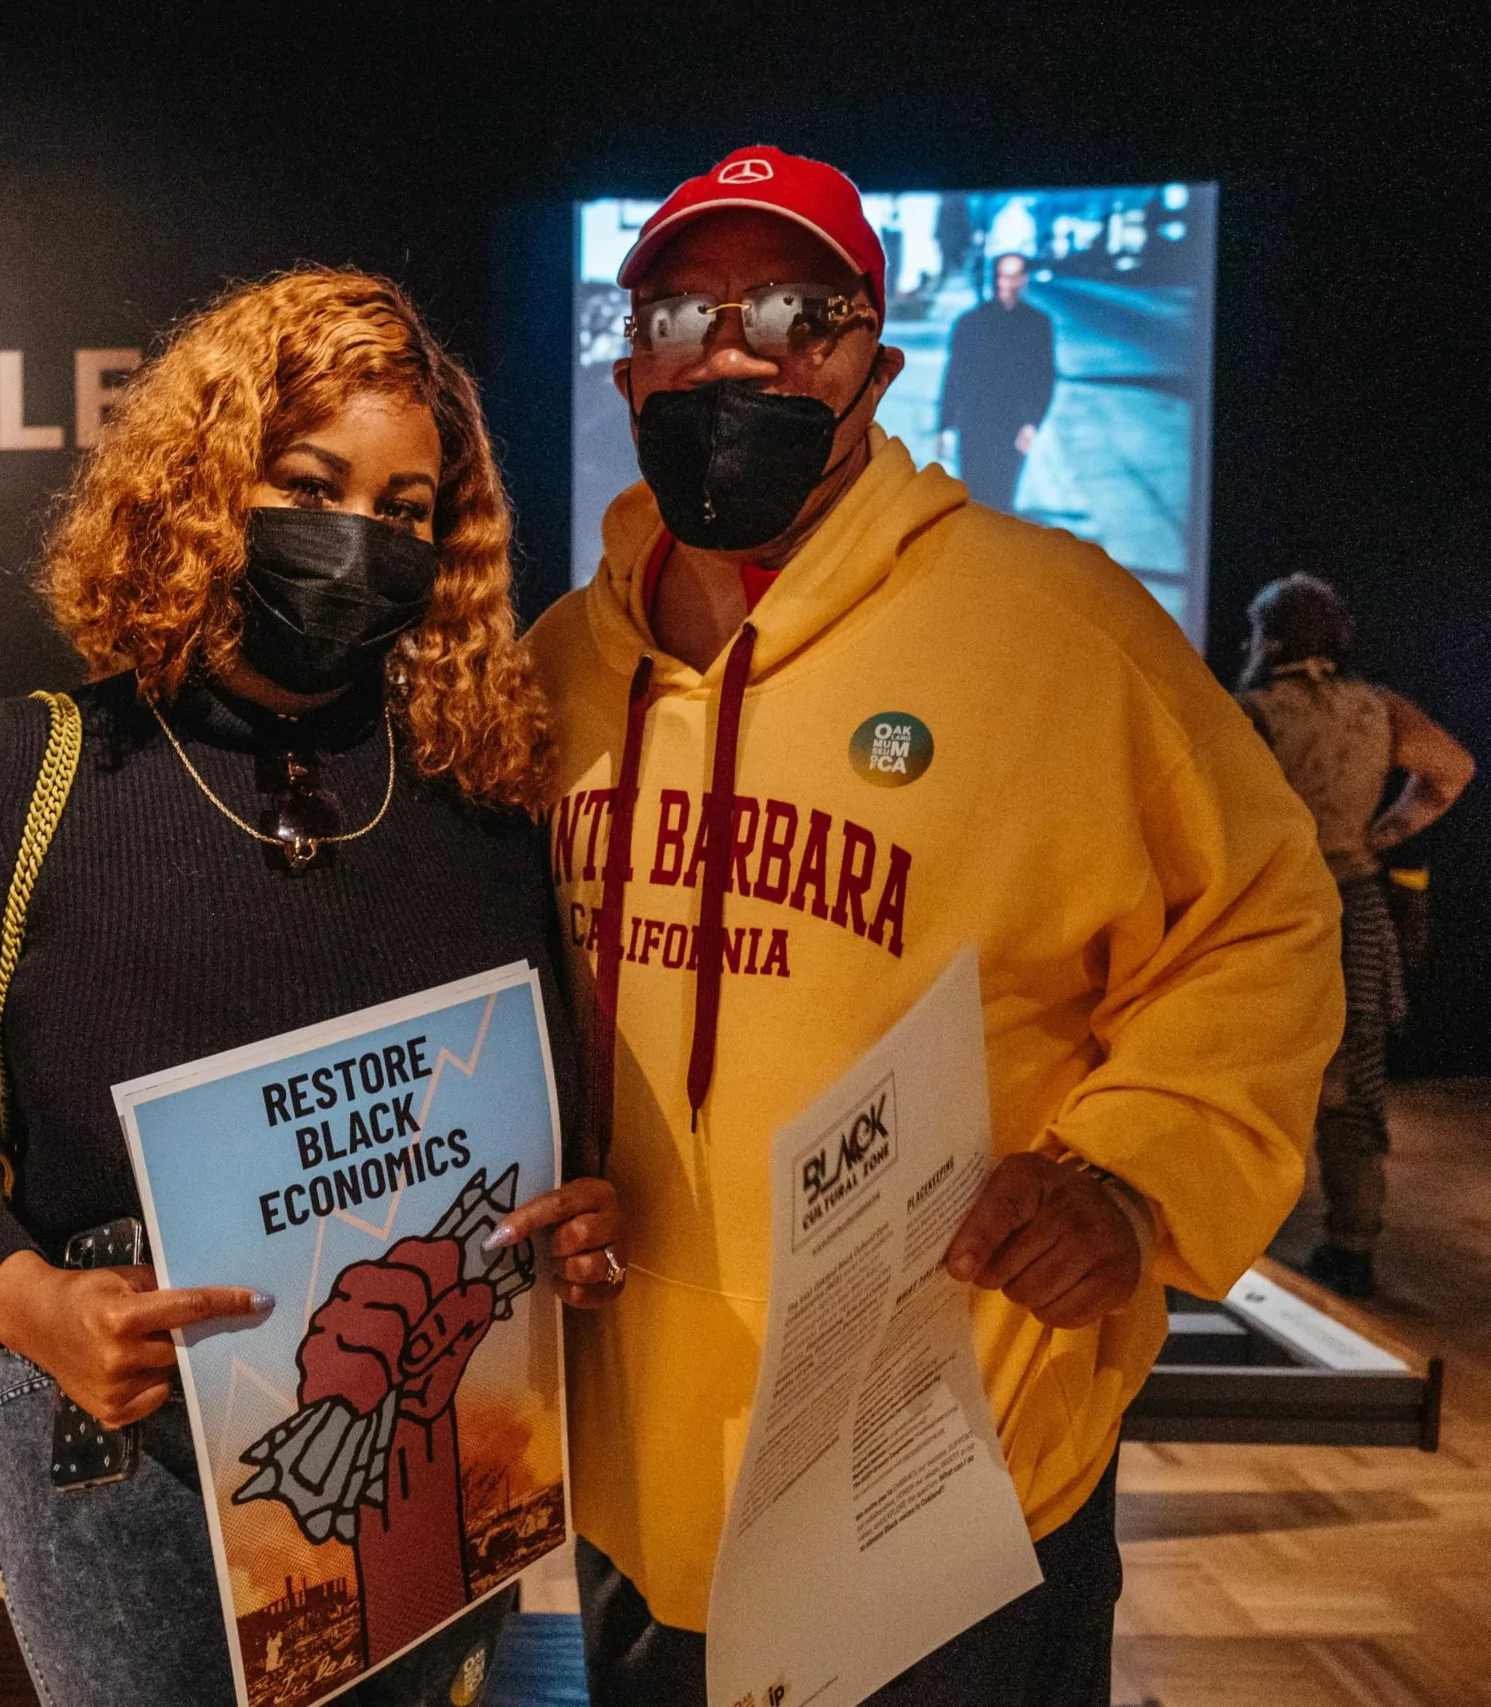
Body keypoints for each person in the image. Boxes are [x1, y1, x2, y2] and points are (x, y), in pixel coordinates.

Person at [529, 145, 1341, 1705]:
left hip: (944, 1466)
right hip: (639, 1468)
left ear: (875, 359)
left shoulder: (1058, 626)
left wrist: (1128, 1175)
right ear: (629, 361)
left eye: (794, 307)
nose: (738, 348)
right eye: (685, 306)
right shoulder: (565, 663)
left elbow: (1264, 913)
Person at [0, 268, 625, 1707]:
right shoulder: (26, 775)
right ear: (205, 489)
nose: (360, 539)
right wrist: (27, 1299)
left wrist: (572, 1216)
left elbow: (547, 1104)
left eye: (408, 511)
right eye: (313, 483)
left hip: (429, 1424)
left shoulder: (481, 802)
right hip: (121, 1440)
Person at [1236, 573, 1475, 1298]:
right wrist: (1385, 831)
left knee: (1247, 1075)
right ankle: (1352, 1244)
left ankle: (1231, 1234)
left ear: (1270, 638)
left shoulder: (1251, 712)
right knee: (1354, 1083)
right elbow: (1453, 769)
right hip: (1357, 905)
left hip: (1273, 912)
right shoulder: (1379, 709)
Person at [937, 252, 1056, 514]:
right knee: (973, 499)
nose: (1006, 284)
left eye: (1013, 276)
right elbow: (954, 376)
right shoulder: (969, 323)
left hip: (1012, 427)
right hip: (973, 425)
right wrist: (945, 426)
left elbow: (1045, 378)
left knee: (1002, 499)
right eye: (1001, 276)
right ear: (993, 280)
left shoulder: (1038, 325)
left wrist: (1032, 424)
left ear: (1024, 280)